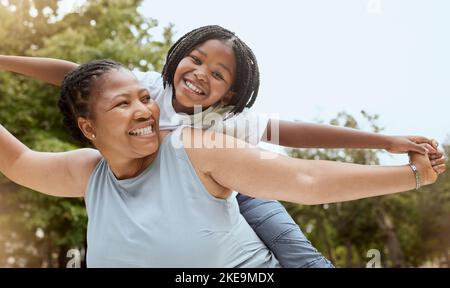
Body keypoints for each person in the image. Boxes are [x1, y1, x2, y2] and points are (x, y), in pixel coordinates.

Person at [0, 26, 442, 268]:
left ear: (230, 95)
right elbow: (75, 77)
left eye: (219, 76)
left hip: (237, 183)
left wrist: (387, 144)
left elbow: (301, 152)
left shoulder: (223, 127)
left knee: (291, 245)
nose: (201, 76)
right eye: (197, 61)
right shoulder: (147, 87)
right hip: (166, 182)